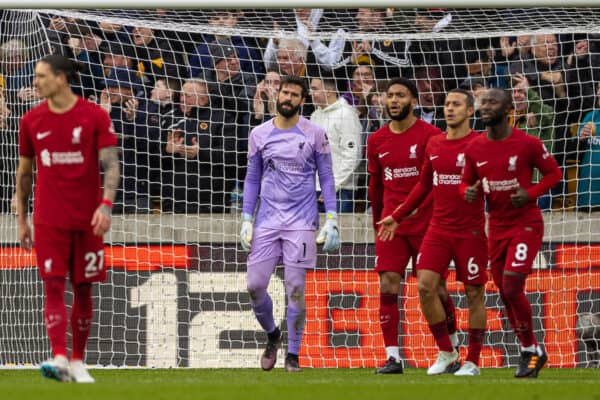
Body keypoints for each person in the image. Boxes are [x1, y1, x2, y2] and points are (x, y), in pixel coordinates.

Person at [16, 54, 119, 383]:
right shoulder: (31, 120)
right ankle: (59, 356)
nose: (36, 82)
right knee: (53, 286)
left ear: (62, 78)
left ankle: (78, 361)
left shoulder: (93, 115)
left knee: (84, 289)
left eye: (42, 76)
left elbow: (112, 164)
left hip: (88, 220)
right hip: (49, 221)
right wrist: (22, 218)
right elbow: (24, 174)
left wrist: (106, 205)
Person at [378, 89, 487, 376]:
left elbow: (495, 176)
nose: (450, 109)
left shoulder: (479, 143)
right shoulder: (436, 143)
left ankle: (473, 360)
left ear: (469, 111)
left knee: (474, 293)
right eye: (447, 104)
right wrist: (396, 217)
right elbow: (424, 185)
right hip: (438, 229)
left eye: (456, 105)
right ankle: (447, 352)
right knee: (425, 286)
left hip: (470, 231)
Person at [240, 75, 340, 372]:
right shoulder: (259, 134)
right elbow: (252, 178)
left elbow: (327, 177)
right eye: (285, 92)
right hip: (267, 222)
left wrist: (332, 218)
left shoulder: (315, 133)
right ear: (278, 94)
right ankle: (273, 334)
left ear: (302, 100)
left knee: (296, 288)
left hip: (302, 223)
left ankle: (293, 354)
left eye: (295, 95)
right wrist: (247, 218)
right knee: (255, 286)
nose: (288, 98)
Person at [460, 88, 562, 378]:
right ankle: (530, 348)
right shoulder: (475, 148)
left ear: (508, 109)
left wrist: (530, 194)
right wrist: (467, 191)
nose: (485, 106)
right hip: (497, 227)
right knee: (505, 291)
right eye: (483, 102)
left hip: (526, 224)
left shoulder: (527, 143)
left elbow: (555, 174)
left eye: (492, 102)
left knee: (513, 285)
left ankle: (531, 349)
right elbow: (467, 181)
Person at [367, 77, 453, 374]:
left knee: (434, 288)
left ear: (413, 101)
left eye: (400, 96)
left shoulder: (432, 136)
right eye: (389, 95)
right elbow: (376, 185)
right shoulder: (376, 140)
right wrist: (377, 219)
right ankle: (393, 357)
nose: (393, 100)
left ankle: (450, 349)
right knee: (388, 283)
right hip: (391, 226)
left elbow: (436, 183)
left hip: (428, 224)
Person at [310, 76, 362, 213]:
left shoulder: (347, 114)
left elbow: (353, 155)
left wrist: (333, 185)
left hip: (341, 190)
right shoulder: (315, 115)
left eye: (314, 89)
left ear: (328, 91)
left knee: (339, 232)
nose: (310, 93)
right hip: (315, 188)